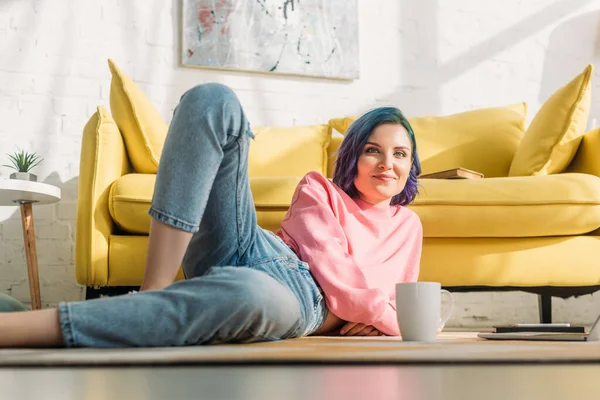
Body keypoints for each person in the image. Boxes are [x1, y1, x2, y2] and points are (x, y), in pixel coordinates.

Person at [0, 83, 422, 348]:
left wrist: (384, 317)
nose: (387, 163)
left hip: (294, 303)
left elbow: (405, 301)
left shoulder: (409, 227)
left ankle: (16, 322)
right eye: (373, 150)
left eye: (399, 154)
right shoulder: (319, 188)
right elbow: (340, 279)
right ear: (353, 157)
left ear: (411, 165)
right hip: (269, 256)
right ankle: (154, 290)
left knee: (248, 295)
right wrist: (382, 318)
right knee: (213, 99)